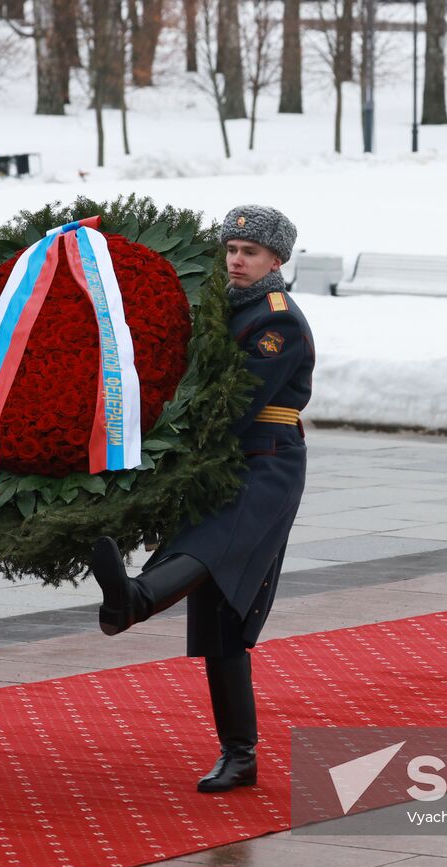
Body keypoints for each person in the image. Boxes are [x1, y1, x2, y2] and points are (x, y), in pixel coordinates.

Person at [88, 205, 313, 794]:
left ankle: (134, 599)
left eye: (250, 252)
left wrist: (165, 444)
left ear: (276, 260)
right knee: (223, 618)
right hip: (218, 459)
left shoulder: (277, 320)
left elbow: (236, 402)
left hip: (263, 460)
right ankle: (239, 755)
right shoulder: (220, 309)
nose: (236, 261)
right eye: (231, 250)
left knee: (215, 548)